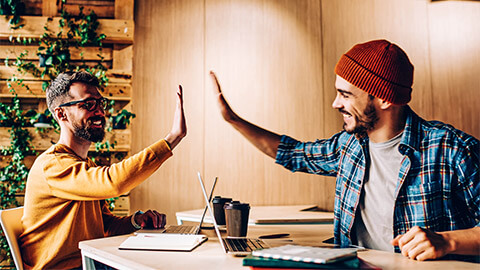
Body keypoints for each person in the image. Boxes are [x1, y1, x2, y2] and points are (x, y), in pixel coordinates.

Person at [210, 39, 479, 261]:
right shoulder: (349, 145)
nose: (335, 103)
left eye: (345, 94)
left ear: (384, 97)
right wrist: (233, 120)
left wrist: (448, 241)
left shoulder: (453, 149)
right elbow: (292, 153)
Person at [19, 71, 187, 269]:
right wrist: (172, 138)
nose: (99, 111)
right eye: (88, 104)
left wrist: (136, 220)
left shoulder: (83, 166)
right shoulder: (51, 165)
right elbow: (113, 182)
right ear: (61, 113)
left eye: (101, 103)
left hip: (89, 262)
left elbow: (104, 226)